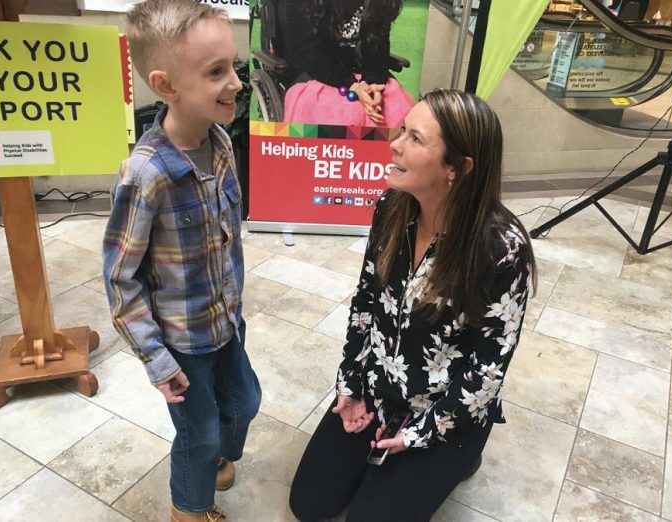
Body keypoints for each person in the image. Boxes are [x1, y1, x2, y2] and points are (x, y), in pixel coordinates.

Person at [289, 89, 536, 521]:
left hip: (443, 414)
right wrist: (351, 386)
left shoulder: (501, 250)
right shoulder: (390, 208)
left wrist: (418, 435)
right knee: (310, 505)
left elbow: (487, 373)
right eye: (402, 130)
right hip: (378, 388)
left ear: (456, 169)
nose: (395, 144)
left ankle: (461, 455)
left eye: (415, 139)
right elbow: (366, 303)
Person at [102, 1, 261, 520]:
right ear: (166, 85)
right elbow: (120, 277)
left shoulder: (220, 144)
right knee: (198, 433)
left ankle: (214, 457)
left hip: (224, 323)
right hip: (181, 340)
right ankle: (189, 508)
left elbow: (227, 241)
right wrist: (155, 357)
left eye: (234, 66)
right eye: (216, 72)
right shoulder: (145, 174)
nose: (236, 82)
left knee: (244, 404)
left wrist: (232, 306)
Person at [280, 0, 414, 127]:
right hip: (319, 72)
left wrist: (373, 86)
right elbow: (309, 53)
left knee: (394, 107)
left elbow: (377, 46)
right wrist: (353, 86)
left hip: (363, 74)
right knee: (343, 114)